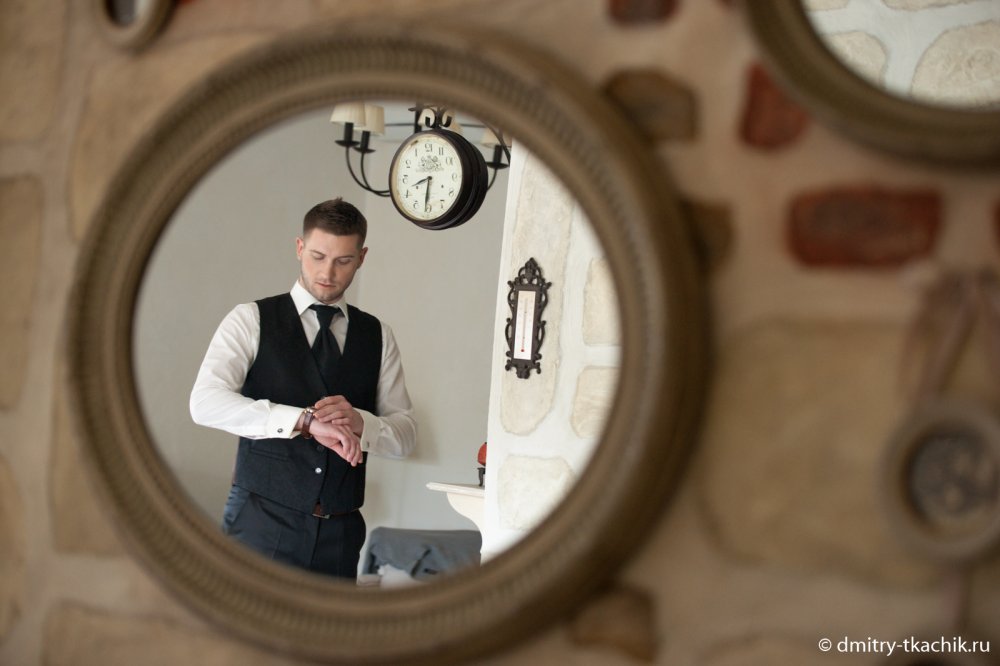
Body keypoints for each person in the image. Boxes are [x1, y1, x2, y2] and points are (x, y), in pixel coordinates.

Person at [189, 197, 416, 579]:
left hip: (341, 533)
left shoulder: (379, 335)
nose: (327, 272)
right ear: (299, 248)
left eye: (343, 260)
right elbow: (204, 402)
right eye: (317, 256)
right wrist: (304, 421)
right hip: (260, 523)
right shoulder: (250, 319)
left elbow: (406, 435)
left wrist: (362, 422)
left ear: (361, 258)